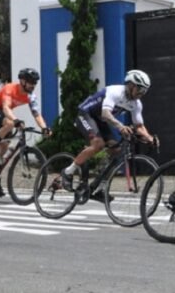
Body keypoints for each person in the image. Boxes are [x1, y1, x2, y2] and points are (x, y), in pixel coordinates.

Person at [61, 70, 156, 202]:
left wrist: (150, 138)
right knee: (98, 144)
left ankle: (99, 187)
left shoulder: (136, 104)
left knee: (116, 152)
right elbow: (106, 114)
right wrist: (120, 126)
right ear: (130, 85)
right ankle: (68, 171)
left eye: (144, 91)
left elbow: (139, 126)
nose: (141, 94)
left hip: (101, 120)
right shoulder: (116, 92)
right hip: (86, 114)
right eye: (139, 89)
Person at [0, 68, 51, 197]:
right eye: (31, 82)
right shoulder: (10, 88)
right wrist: (15, 120)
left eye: (35, 83)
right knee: (10, 123)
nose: (33, 85)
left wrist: (44, 128)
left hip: (5, 115)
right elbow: (6, 107)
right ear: (22, 81)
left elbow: (36, 114)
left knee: (4, 149)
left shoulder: (31, 96)